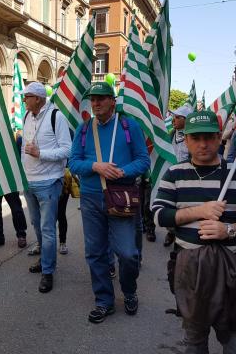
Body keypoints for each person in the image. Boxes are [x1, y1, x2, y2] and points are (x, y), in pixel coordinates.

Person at [153, 110, 236, 354]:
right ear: (186, 140)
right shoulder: (175, 174)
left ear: (219, 137)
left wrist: (228, 230)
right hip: (190, 273)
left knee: (231, 339)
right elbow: (159, 215)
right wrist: (200, 211)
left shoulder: (233, 173)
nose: (203, 144)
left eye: (209, 137)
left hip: (231, 274)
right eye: (196, 138)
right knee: (194, 340)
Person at [69, 82, 150, 323]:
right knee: (95, 252)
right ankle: (104, 300)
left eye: (101, 98)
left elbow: (143, 160)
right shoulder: (83, 129)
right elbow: (73, 162)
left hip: (121, 196)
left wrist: (122, 172)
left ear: (112, 101)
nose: (96, 103)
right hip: (91, 197)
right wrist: (94, 166)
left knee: (127, 253)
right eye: (93, 99)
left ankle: (129, 291)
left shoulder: (128, 126)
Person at [21, 81, 71, 293]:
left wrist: (40, 153)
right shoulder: (26, 116)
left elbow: (67, 150)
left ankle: (48, 271)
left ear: (39, 99)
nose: (24, 100)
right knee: (35, 223)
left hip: (49, 182)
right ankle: (44, 259)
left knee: (48, 228)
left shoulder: (56, 117)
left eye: (27, 97)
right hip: (29, 181)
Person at [163, 104, 193, 247]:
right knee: (171, 206)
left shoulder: (193, 137)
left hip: (187, 177)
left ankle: (180, 237)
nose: (173, 120)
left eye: (177, 117)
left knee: (183, 207)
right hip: (172, 176)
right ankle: (170, 232)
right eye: (173, 117)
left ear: (186, 120)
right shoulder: (170, 134)